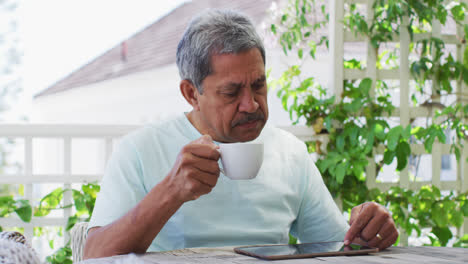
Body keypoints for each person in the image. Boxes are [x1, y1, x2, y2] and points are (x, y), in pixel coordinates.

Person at [83, 9, 398, 259]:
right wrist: (172, 191)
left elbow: (339, 248)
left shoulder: (289, 153)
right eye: (231, 93)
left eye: (258, 85)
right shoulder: (141, 150)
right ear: (191, 93)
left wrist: (368, 232)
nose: (251, 105)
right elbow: (94, 255)